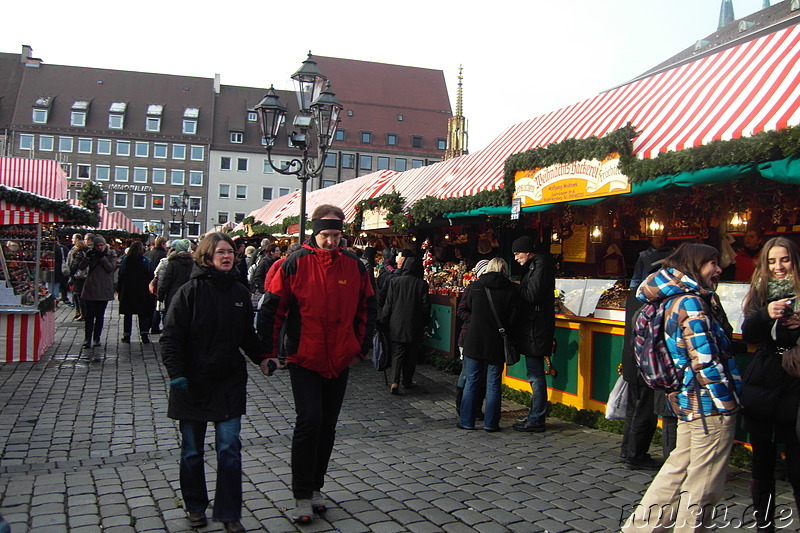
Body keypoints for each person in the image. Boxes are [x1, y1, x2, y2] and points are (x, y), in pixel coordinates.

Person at [258, 204, 376, 525]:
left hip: (340, 358)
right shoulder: (295, 263)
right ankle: (301, 493)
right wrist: (269, 352)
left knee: (327, 426)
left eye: (336, 236)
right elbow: (273, 309)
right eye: (326, 236)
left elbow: (368, 309)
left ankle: (316, 488)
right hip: (304, 356)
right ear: (315, 233)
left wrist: (360, 349)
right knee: (309, 421)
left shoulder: (355, 265)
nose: (331, 242)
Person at [621, 243, 741, 532]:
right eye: (712, 263)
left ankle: (640, 529)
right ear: (694, 265)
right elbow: (705, 360)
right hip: (709, 403)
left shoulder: (670, 297)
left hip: (687, 399)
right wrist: (727, 405)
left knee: (675, 473)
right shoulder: (692, 302)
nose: (718, 269)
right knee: (703, 486)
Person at [160, 232, 275, 533]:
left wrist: (262, 356)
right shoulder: (189, 292)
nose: (228, 257)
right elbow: (171, 337)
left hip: (228, 382)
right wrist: (177, 374)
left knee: (229, 448)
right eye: (221, 252)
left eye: (231, 253)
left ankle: (228, 512)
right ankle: (196, 506)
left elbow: (246, 336)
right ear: (207, 256)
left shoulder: (239, 293)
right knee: (192, 450)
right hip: (192, 383)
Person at [739, 236, 800, 531]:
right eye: (772, 261)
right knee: (762, 461)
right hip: (763, 382)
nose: (778, 266)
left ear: (794, 260)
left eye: (784, 259)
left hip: (795, 384)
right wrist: (766, 314)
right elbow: (748, 333)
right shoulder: (760, 292)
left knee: (798, 464)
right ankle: (765, 524)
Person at [459, 258, 521, 432]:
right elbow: (513, 318)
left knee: (472, 381)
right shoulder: (511, 289)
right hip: (496, 342)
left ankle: (467, 421)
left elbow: (469, 307)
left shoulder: (476, 286)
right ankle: (491, 423)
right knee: (493, 383)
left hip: (475, 340)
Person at [511, 236, 556, 433]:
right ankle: (535, 414)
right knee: (534, 372)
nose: (516, 258)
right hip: (534, 327)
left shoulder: (540, 265)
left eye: (517, 253)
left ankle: (537, 417)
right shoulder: (535, 265)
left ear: (528, 251)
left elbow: (532, 295)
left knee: (535, 374)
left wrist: (514, 287)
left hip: (536, 328)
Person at [379, 255, 430, 394]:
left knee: (397, 353)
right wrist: (425, 322)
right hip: (414, 323)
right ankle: (407, 380)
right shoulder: (421, 284)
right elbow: (425, 306)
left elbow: (388, 304)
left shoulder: (395, 282)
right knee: (411, 354)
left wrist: (383, 321)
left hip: (396, 323)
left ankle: (394, 381)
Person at [455, 259, 490, 417]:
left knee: (481, 375)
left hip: (484, 337)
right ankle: (462, 405)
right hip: (468, 336)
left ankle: (476, 407)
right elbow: (461, 310)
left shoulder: (492, 288)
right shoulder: (472, 288)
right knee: (468, 372)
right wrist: (475, 319)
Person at [79, 235, 117, 349]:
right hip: (91, 287)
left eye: (101, 245)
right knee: (89, 315)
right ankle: (87, 338)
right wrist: (87, 257)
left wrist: (102, 258)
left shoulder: (111, 254)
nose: (100, 247)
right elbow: (81, 267)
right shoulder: (91, 253)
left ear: (105, 245)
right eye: (97, 246)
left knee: (100, 315)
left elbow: (111, 268)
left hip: (103, 289)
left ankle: (97, 338)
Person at [117, 241, 155, 344]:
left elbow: (121, 275)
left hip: (128, 290)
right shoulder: (146, 261)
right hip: (141, 290)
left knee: (128, 314)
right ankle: (144, 335)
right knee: (142, 314)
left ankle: (127, 335)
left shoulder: (126, 260)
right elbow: (150, 275)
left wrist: (119, 290)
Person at [157, 239, 194, 316]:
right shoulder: (193, 263)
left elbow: (166, 280)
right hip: (188, 295)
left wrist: (160, 296)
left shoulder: (173, 262)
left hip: (173, 295)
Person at [67, 233, 87, 320]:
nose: (72, 240)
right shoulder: (83, 251)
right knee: (77, 295)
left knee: (78, 295)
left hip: (79, 276)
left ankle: (82, 313)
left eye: (73, 238)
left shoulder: (79, 252)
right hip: (80, 276)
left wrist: (71, 273)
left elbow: (75, 264)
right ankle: (79, 312)